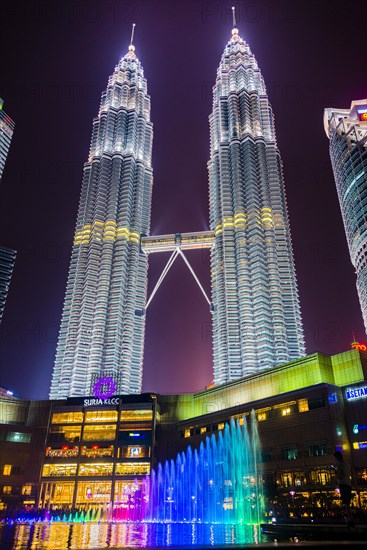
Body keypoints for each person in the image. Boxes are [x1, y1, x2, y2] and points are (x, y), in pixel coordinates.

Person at [333, 450, 353, 525]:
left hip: (343, 484)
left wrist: (336, 472)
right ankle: (350, 520)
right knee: (348, 503)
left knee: (346, 504)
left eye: (336, 458)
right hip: (348, 484)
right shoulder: (347, 464)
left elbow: (340, 476)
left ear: (337, 457)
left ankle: (349, 521)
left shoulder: (340, 465)